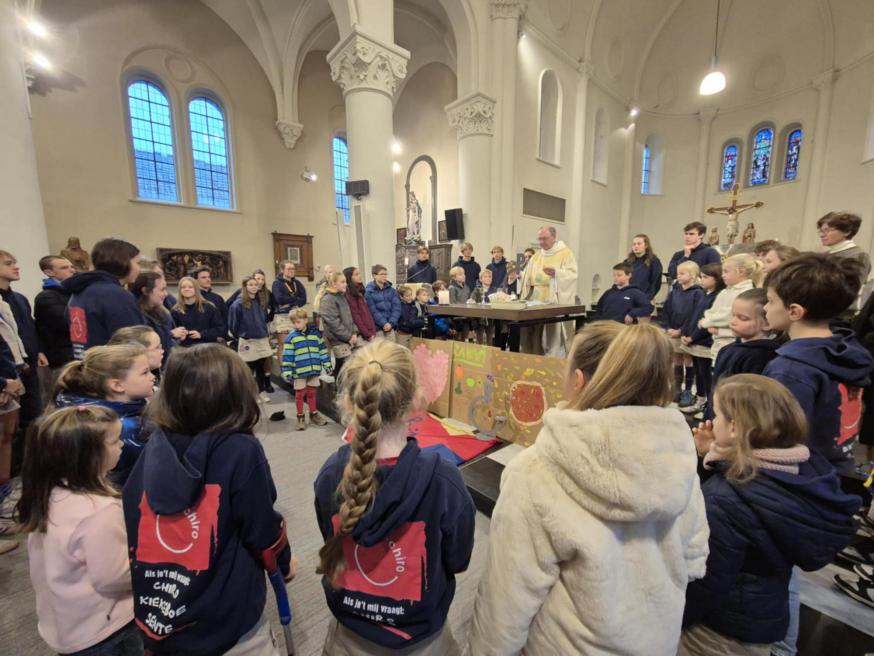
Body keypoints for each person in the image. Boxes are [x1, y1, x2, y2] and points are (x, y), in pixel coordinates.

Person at [468, 323, 709, 654]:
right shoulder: (676, 457)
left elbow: (506, 602)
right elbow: (695, 559)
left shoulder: (537, 471)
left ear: (577, 381)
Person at [122, 344, 294, 656]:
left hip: (164, 609)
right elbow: (261, 529)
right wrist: (283, 563)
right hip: (226, 619)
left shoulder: (154, 444)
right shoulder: (240, 450)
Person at [314, 341, 475, 654]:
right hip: (423, 639)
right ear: (416, 399)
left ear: (348, 402)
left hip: (347, 636)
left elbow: (329, 538)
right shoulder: (445, 481)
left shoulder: (330, 475)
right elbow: (458, 559)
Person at [683, 375, 860, 656]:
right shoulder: (802, 473)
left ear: (734, 427)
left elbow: (706, 583)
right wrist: (711, 455)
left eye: (716, 416)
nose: (711, 422)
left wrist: (675, 621)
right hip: (763, 621)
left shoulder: (727, 499)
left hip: (716, 632)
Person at [18, 406, 143, 656]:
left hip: (67, 625)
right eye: (114, 441)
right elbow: (114, 577)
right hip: (107, 629)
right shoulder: (98, 510)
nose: (121, 445)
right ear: (86, 455)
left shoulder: (48, 493)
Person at [762, 253, 873, 471]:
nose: (765, 307)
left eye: (770, 301)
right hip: (833, 469)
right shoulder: (845, 351)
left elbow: (778, 438)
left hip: (799, 478)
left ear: (794, 311)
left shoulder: (790, 369)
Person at [52, 344, 155, 485]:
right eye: (145, 372)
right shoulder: (123, 428)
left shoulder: (81, 408)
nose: (153, 377)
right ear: (117, 385)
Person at [702, 289, 779, 420]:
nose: (733, 321)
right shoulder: (728, 349)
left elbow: (748, 402)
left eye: (742, 318)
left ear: (766, 324)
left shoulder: (762, 356)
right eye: (733, 315)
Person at [63, 238, 145, 358]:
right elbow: (131, 345)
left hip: (87, 364)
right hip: (113, 368)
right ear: (122, 262)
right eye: (137, 263)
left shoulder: (79, 292)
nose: (140, 269)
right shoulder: (116, 295)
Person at [0, 250, 47, 430]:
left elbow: (29, 328)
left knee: (34, 416)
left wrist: (38, 350)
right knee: (11, 427)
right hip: (8, 368)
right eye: (8, 263)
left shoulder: (19, 298)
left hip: (28, 364)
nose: (16, 267)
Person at [519, 226, 579, 356]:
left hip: (553, 301)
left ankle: (551, 363)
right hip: (534, 301)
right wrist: (521, 276)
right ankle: (533, 359)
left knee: (550, 337)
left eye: (544, 239)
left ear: (554, 237)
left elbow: (572, 275)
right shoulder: (537, 256)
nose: (541, 242)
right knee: (533, 333)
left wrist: (557, 273)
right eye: (539, 239)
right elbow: (528, 275)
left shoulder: (565, 253)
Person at [699, 254, 760, 361]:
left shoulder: (746, 292)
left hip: (732, 343)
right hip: (717, 344)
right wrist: (708, 320)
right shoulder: (725, 291)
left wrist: (706, 322)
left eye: (726, 272)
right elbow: (711, 311)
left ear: (741, 271)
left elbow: (728, 316)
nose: (722, 275)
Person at [281, 308, 331, 431]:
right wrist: (287, 371)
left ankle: (313, 414)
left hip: (313, 369)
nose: (295, 325)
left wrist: (327, 364)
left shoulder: (316, 336)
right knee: (300, 394)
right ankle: (300, 417)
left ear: (305, 320)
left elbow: (322, 350)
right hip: (299, 371)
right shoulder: (291, 338)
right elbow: (287, 356)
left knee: (312, 393)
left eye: (298, 322)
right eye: (294, 322)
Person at [662, 261, 703, 409]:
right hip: (672, 331)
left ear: (692, 275)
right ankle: (677, 388)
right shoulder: (674, 293)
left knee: (688, 358)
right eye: (678, 273)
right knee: (676, 358)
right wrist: (667, 327)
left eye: (682, 273)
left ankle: (687, 390)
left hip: (687, 333)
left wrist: (681, 330)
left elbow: (695, 315)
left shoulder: (698, 293)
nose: (678, 276)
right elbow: (666, 311)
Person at [34, 256, 76, 398]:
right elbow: (67, 323)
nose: (71, 270)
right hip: (62, 359)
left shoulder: (73, 293)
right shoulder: (46, 297)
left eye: (71, 266)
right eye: (64, 268)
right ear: (49, 272)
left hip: (75, 355)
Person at [228, 276, 273, 401]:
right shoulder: (238, 304)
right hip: (248, 340)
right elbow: (233, 325)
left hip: (261, 338)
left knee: (260, 366)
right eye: (250, 284)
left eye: (255, 284)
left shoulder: (259, 301)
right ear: (245, 287)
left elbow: (263, 319)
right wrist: (242, 335)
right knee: (249, 368)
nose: (254, 287)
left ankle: (261, 390)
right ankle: (250, 393)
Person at [130, 272, 186, 366]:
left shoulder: (162, 313)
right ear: (145, 291)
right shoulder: (137, 316)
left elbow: (166, 344)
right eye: (162, 289)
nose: (166, 293)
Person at [320, 271, 360, 379]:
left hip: (347, 337)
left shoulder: (341, 296)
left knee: (344, 368)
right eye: (342, 282)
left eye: (346, 282)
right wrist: (348, 336)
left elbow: (350, 317)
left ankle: (341, 391)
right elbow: (333, 323)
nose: (345, 284)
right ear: (333, 284)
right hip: (338, 339)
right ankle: (340, 393)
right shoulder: (328, 299)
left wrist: (354, 332)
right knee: (344, 369)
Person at [817, 211, 872, 283]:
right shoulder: (824, 255)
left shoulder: (859, 255)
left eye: (827, 230)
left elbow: (853, 287)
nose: (822, 235)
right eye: (821, 231)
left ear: (847, 232)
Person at [170, 276, 225, 346]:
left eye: (190, 287)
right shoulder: (175, 310)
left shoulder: (209, 307)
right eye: (183, 287)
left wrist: (202, 334)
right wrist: (180, 334)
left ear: (196, 289)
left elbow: (220, 328)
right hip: (184, 349)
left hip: (207, 348)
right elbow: (172, 332)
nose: (187, 289)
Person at [271, 260, 307, 360]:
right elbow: (279, 299)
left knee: (296, 343)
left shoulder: (297, 283)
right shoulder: (277, 283)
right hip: (283, 317)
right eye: (289, 269)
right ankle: (284, 372)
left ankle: (296, 368)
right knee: (284, 344)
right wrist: (295, 299)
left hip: (296, 316)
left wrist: (289, 303)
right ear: (282, 270)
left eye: (293, 269)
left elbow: (304, 299)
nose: (292, 271)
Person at [365, 264, 401, 342]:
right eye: (382, 274)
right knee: (380, 351)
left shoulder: (392, 291)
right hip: (377, 328)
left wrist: (391, 323)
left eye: (386, 274)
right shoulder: (368, 291)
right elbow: (372, 310)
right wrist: (383, 323)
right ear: (374, 275)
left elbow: (397, 308)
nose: (384, 276)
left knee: (391, 351)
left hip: (390, 326)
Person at [343, 266, 377, 342]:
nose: (359, 276)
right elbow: (356, 316)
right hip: (363, 333)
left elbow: (367, 312)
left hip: (370, 329)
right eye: (356, 274)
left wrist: (373, 330)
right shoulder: (349, 293)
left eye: (359, 273)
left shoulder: (359, 290)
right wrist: (368, 334)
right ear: (349, 277)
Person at [627, 233, 664, 301]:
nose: (636, 246)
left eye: (639, 244)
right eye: (634, 244)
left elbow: (656, 283)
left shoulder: (654, 262)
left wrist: (647, 298)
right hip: (629, 298)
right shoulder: (627, 262)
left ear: (646, 245)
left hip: (645, 298)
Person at [193, 266, 228, 330]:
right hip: (199, 336)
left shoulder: (218, 298)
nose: (208, 279)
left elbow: (225, 320)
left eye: (209, 277)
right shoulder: (193, 298)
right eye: (204, 277)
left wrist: (222, 335)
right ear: (196, 280)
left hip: (219, 336)